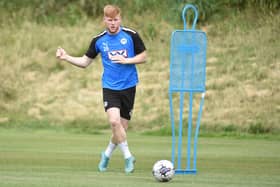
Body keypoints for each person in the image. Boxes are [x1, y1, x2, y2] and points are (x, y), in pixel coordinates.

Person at [56, 4, 146, 173]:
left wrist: (126, 60)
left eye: (116, 20)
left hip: (129, 86)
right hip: (110, 87)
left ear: (120, 18)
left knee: (121, 129)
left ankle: (106, 154)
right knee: (114, 122)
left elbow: (144, 56)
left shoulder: (131, 35)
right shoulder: (99, 40)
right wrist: (66, 57)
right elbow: (84, 62)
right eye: (110, 20)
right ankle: (128, 157)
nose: (113, 23)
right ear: (104, 20)